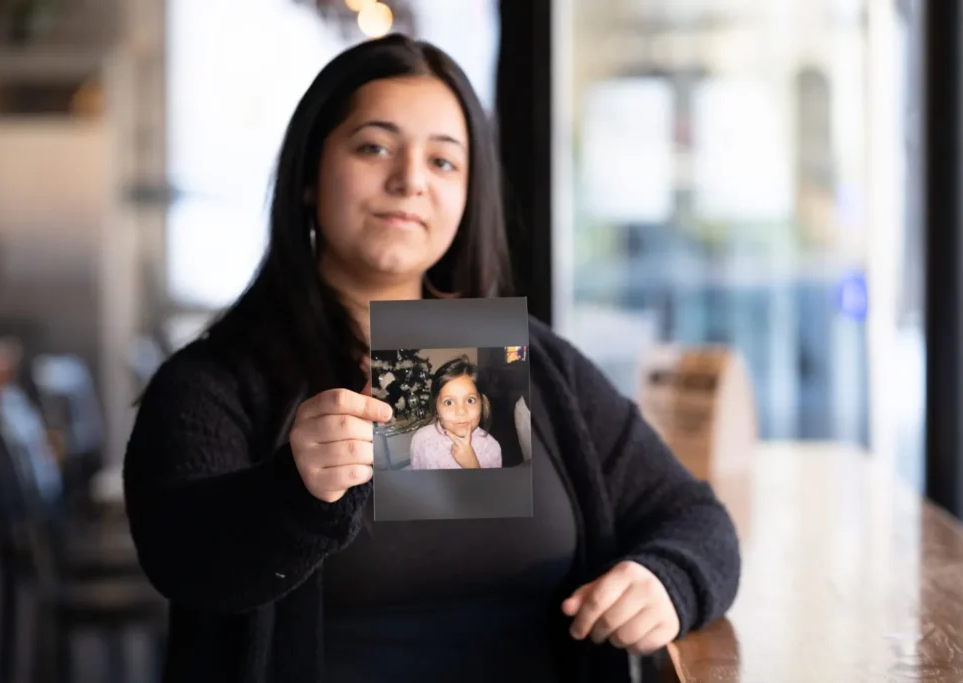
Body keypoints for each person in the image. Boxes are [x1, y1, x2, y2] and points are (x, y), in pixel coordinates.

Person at [123, 34, 741, 683]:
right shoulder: (214, 384)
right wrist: (292, 491)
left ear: (470, 192)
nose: (409, 180)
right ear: (309, 175)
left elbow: (695, 517)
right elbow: (181, 560)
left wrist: (666, 580)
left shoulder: (531, 363)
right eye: (374, 147)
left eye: (443, 162)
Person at [408, 356, 502, 470]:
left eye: (470, 400)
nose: (461, 411)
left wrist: (473, 466)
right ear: (436, 409)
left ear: (482, 404)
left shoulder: (491, 449)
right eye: (449, 402)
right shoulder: (421, 440)